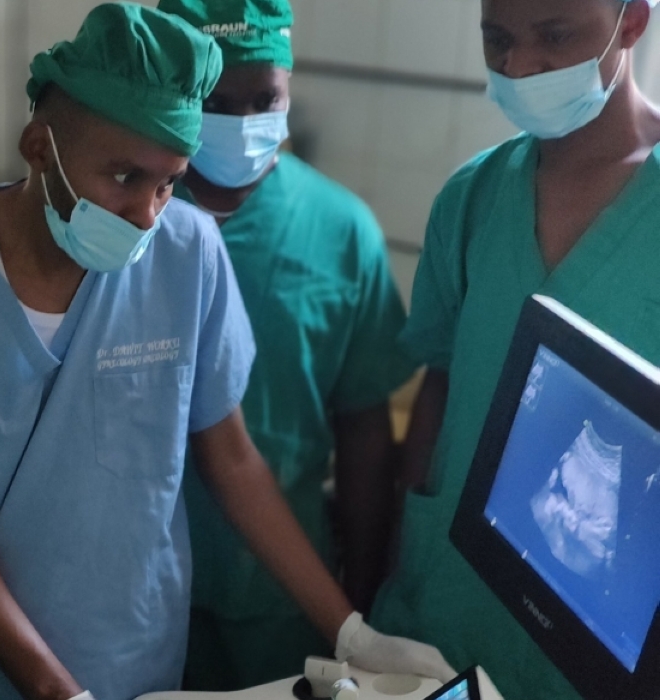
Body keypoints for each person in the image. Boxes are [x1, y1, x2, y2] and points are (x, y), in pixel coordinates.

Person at [0, 4, 453, 699]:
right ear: (39, 147)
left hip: (132, 662)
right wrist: (55, 690)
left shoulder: (188, 252)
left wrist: (350, 631)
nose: (147, 214)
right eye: (124, 177)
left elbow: (233, 459)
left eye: (168, 183)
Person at [370, 0, 660, 698]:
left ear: (631, 22)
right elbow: (442, 383)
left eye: (554, 35)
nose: (519, 67)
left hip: (604, 636)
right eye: (497, 39)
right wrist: (403, 550)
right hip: (445, 606)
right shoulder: (472, 199)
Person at [154, 0, 418, 690]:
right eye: (217, 103)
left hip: (283, 587)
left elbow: (363, 428)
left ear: (290, 88)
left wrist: (357, 603)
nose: (243, 124)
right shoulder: (126, 218)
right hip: (134, 579)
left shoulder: (340, 232)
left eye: (264, 100)